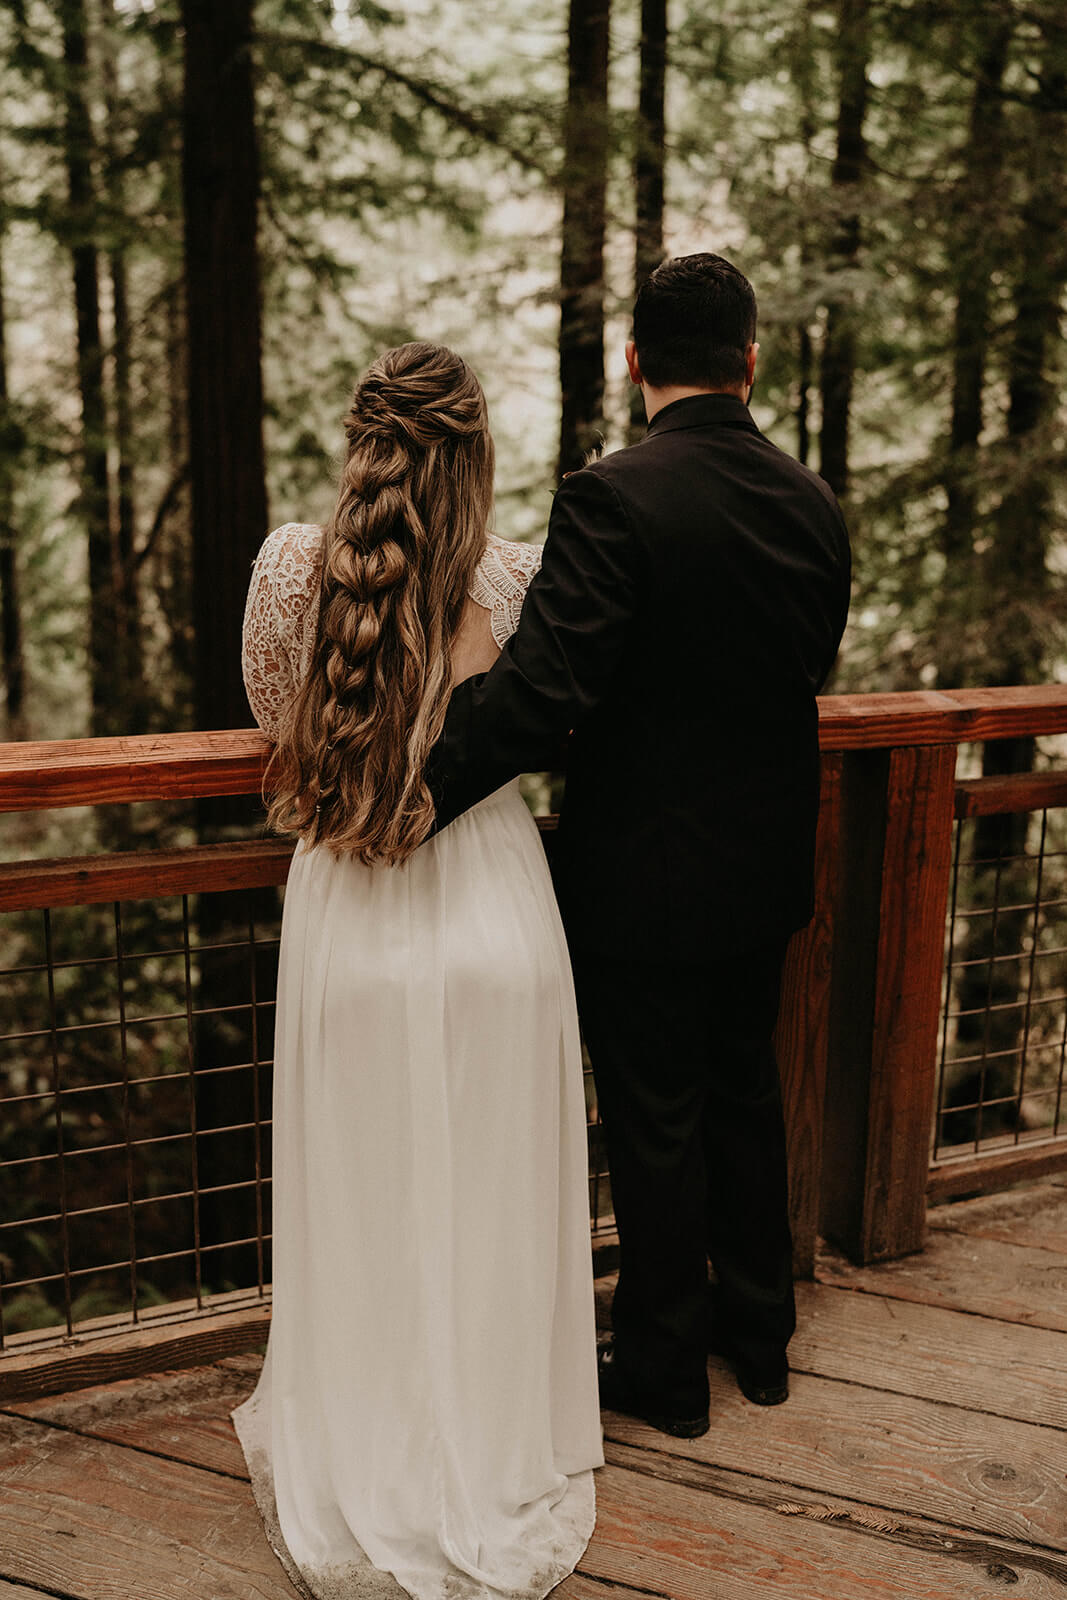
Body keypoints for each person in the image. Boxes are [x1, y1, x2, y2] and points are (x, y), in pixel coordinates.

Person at [427, 253, 852, 1440]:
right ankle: (758, 1337)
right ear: (749, 361)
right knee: (742, 1087)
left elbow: (547, 686)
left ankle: (664, 1371)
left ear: (633, 362)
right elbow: (800, 669)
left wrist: (417, 782)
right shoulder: (811, 504)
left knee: (656, 1113)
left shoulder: (612, 496)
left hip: (643, 873)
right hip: (765, 862)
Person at [231, 341, 604, 1600]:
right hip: (494, 915)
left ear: (360, 443)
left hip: (351, 911)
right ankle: (485, 1437)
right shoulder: (512, 582)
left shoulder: (290, 571)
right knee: (485, 1195)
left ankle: (368, 1436)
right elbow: (552, 716)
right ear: (477, 456)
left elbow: (274, 722)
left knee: (364, 1189)